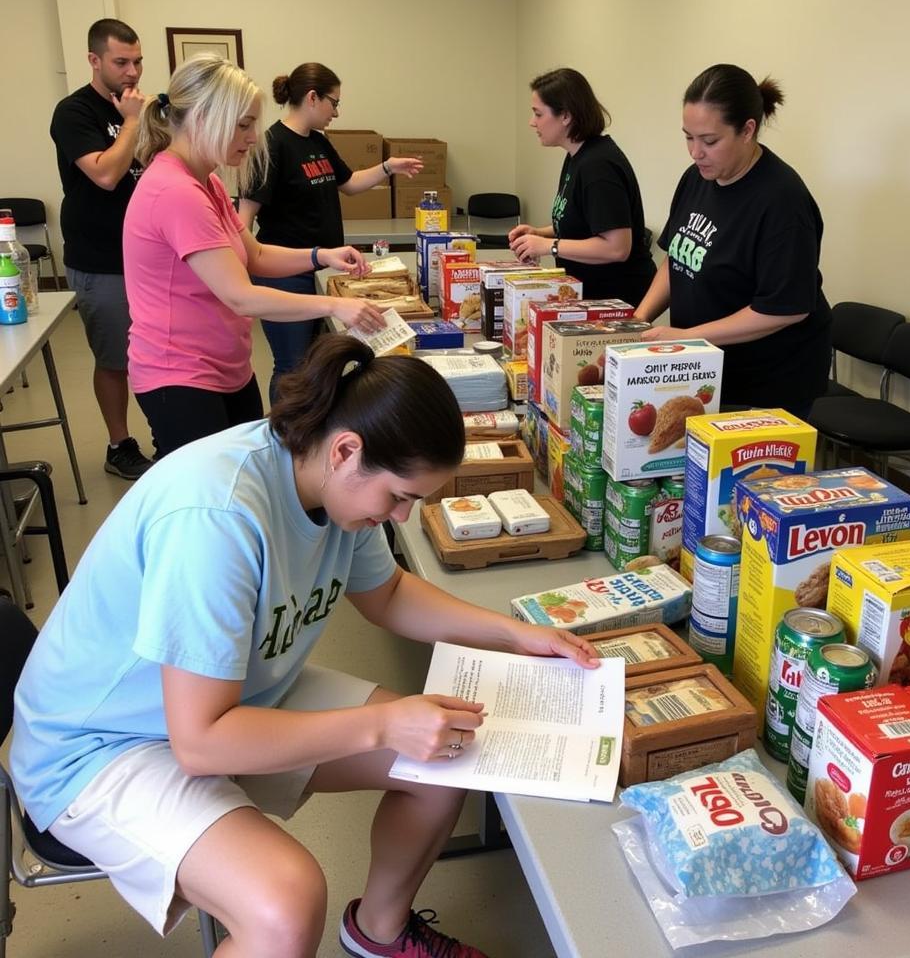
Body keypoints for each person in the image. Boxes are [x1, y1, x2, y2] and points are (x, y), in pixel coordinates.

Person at [11, 334, 600, 958]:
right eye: (400, 496)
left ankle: (380, 932)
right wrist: (380, 725)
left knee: (446, 753)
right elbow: (201, 741)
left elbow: (389, 595)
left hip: (234, 694)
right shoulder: (217, 518)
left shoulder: (330, 483)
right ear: (348, 450)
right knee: (285, 906)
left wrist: (515, 633)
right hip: (103, 744)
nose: (403, 517)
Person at [123, 54, 387, 459]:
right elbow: (241, 295)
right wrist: (337, 304)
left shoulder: (205, 181)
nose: (252, 137)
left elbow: (255, 253)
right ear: (204, 118)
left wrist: (321, 256)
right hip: (181, 376)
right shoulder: (176, 191)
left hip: (226, 366)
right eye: (243, 125)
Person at [634, 64, 832, 419]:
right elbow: (677, 259)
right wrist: (639, 317)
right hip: (708, 364)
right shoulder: (696, 179)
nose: (695, 153)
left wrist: (687, 336)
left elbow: (785, 308)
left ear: (747, 130)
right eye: (688, 137)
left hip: (770, 379)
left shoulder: (782, 201)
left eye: (709, 141)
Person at [238, 63, 424, 402]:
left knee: (317, 364)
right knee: (291, 365)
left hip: (324, 270)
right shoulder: (272, 146)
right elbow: (244, 218)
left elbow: (349, 184)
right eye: (333, 103)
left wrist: (388, 167)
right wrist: (243, 276)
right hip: (284, 275)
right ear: (312, 97)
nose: (336, 112)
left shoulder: (319, 143)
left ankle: (309, 432)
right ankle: (284, 439)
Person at [49, 17, 153, 480]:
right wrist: (132, 121)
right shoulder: (75, 113)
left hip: (145, 254)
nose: (132, 72)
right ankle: (119, 444)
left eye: (138, 62)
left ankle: (164, 432)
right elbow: (107, 174)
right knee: (115, 358)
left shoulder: (137, 110)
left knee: (152, 351)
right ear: (94, 60)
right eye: (121, 62)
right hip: (101, 259)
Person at [508, 67, 655, 307]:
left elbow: (617, 248)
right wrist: (539, 233)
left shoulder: (598, 166)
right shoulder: (576, 156)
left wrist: (548, 246)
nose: (532, 123)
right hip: (588, 293)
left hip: (617, 298)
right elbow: (582, 224)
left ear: (565, 116)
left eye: (538, 114)